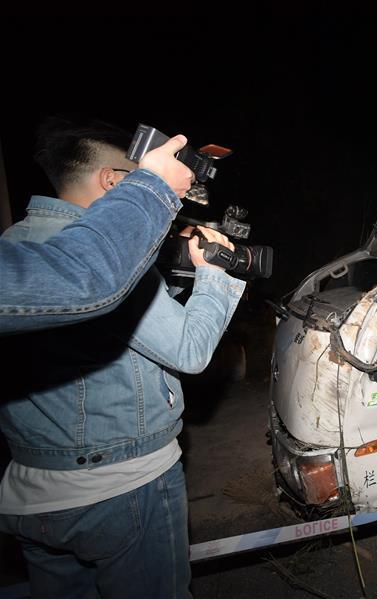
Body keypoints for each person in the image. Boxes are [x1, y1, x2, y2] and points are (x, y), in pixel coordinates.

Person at [0, 117, 246, 598]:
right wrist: (219, 276)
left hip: (32, 494)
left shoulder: (16, 251)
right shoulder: (104, 267)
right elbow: (189, 351)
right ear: (115, 181)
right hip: (121, 491)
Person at [0, 131, 194, 334]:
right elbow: (189, 350)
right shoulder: (100, 259)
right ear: (110, 180)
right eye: (136, 175)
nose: (138, 179)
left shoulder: (18, 235)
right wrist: (154, 184)